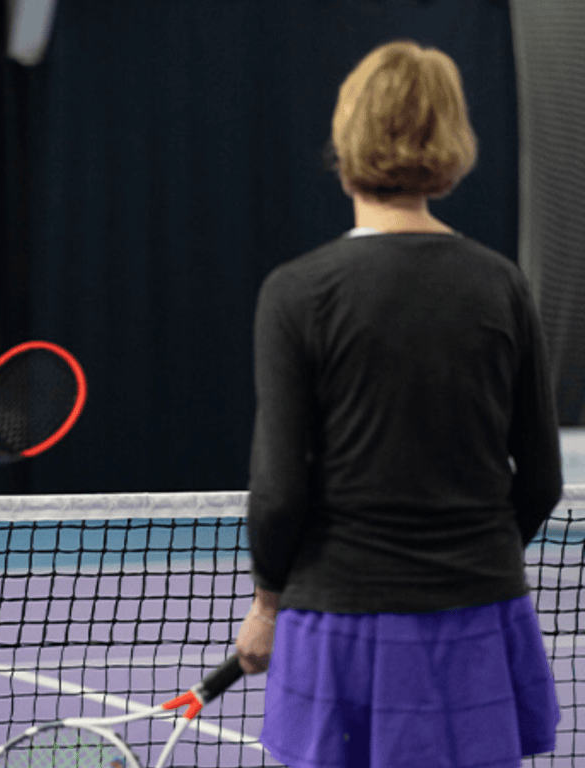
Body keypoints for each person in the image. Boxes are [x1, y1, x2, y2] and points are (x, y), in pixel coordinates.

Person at [236, 41, 563, 768]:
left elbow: (280, 491)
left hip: (337, 623)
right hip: (479, 616)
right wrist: (473, 560)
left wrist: (266, 609)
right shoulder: (503, 285)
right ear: (452, 141)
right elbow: (540, 480)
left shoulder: (296, 293)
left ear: (347, 137)